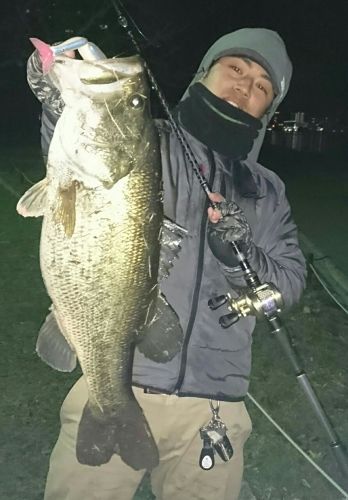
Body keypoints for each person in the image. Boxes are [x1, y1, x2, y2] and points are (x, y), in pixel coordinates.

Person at [27, 27, 306, 500]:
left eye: (262, 86)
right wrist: (59, 90)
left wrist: (242, 256)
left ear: (269, 108)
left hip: (216, 407)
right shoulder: (145, 142)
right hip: (118, 377)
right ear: (204, 74)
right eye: (235, 69)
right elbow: (82, 143)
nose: (245, 86)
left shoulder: (267, 189)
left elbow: (291, 284)